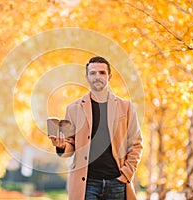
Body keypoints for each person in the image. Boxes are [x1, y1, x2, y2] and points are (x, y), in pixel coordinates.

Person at [49, 56, 143, 200]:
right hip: (87, 184)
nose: (97, 77)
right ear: (87, 77)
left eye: (102, 72)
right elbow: (70, 145)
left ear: (109, 76)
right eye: (93, 73)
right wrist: (62, 146)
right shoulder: (73, 109)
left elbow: (136, 144)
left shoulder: (126, 107)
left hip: (117, 182)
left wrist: (125, 174)